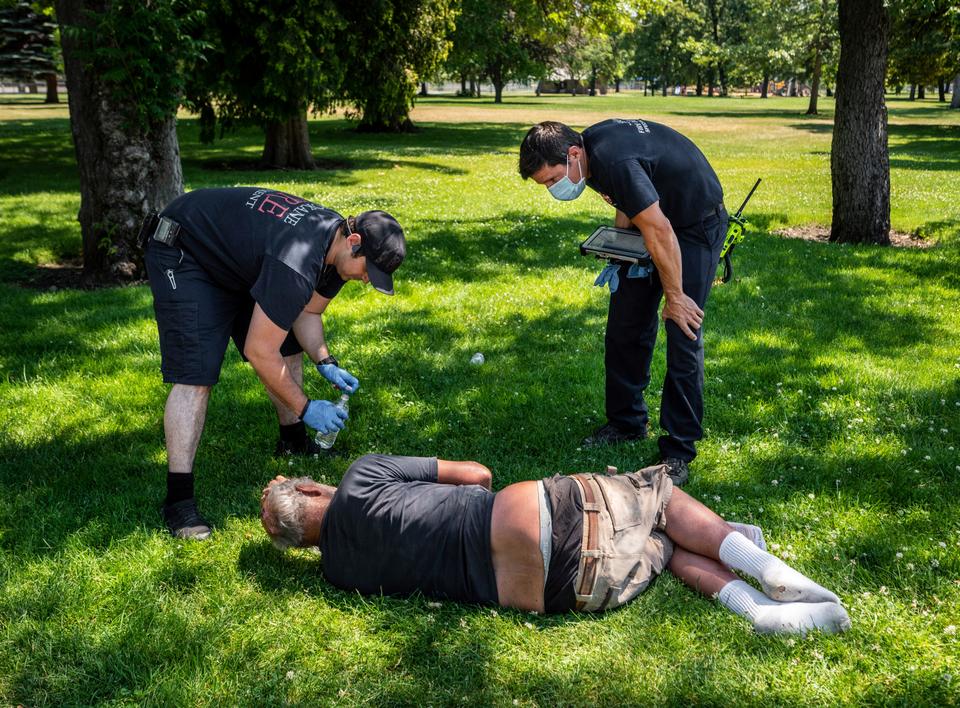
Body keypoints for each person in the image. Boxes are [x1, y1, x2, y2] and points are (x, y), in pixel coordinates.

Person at [259, 454, 850, 635]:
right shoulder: (361, 477)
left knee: (662, 547)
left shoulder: (338, 574)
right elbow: (477, 474)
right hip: (530, 519)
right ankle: (766, 566)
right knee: (660, 498)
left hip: (566, 591)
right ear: (311, 487)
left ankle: (759, 614)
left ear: (300, 544)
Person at [144, 187, 406, 540]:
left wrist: (326, 361)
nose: (365, 279)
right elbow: (259, 352)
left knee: (288, 342)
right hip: (185, 250)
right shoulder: (297, 261)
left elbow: (308, 311)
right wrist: (306, 406)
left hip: (234, 259)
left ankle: (293, 441)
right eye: (368, 270)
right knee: (197, 374)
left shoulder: (334, 247)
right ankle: (179, 501)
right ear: (354, 241)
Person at [518, 120, 728, 485]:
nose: (554, 189)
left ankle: (678, 450)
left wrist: (675, 297)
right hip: (656, 221)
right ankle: (626, 422)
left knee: (682, 329)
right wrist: (621, 250)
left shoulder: (613, 161)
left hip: (693, 225)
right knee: (625, 324)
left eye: (552, 180)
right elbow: (630, 203)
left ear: (572, 155)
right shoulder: (588, 153)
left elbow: (659, 229)